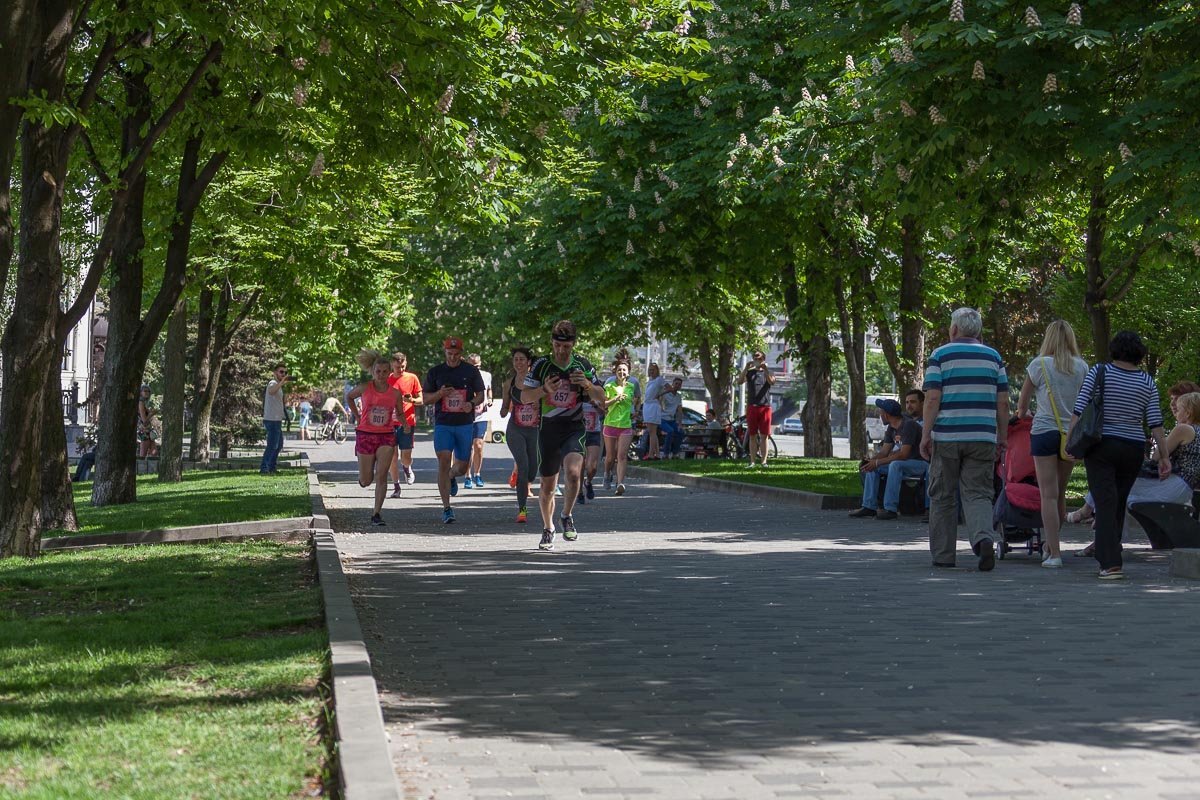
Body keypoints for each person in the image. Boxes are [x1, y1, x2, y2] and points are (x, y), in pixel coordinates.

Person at [1067, 331, 1168, 580]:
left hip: (1101, 445)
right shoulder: (1147, 381)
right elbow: (1155, 423)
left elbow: (1079, 409)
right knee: (1118, 501)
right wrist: (1164, 456)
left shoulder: (1099, 372)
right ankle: (1112, 553)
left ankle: (1110, 563)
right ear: (1139, 353)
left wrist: (1070, 444)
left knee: (1105, 502)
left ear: (1114, 349)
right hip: (1133, 448)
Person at [920, 308, 1009, 571]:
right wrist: (1002, 437)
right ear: (978, 331)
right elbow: (1003, 403)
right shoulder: (994, 358)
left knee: (942, 495)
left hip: (947, 435)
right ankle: (983, 538)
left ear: (954, 329)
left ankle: (944, 555)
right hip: (982, 436)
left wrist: (926, 434)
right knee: (979, 493)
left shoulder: (940, 355)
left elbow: (932, 398)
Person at [1066, 379, 1200, 524]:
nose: (1174, 409)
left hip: (1173, 486)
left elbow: (1157, 456)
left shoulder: (1183, 429)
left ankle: (1090, 514)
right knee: (1118, 482)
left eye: (1179, 408)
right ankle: (1097, 517)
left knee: (1114, 478)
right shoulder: (1196, 431)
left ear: (1188, 413)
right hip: (1184, 489)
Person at [521, 320, 605, 550]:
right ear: (552, 342)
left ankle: (566, 515)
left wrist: (587, 385)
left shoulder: (582, 365)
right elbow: (525, 397)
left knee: (574, 473)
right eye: (557, 345)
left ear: (573, 344)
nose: (561, 351)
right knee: (548, 486)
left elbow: (602, 397)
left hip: (574, 428)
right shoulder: (541, 365)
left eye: (566, 346)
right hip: (548, 429)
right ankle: (548, 528)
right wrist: (544, 390)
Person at [1015, 320, 1089, 567]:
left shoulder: (1039, 365)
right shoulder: (1082, 367)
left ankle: (1054, 553)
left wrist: (1024, 414)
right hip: (1071, 435)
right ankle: (1050, 544)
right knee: (1060, 493)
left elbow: (1022, 406)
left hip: (1044, 431)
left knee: (1047, 494)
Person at [423, 336, 486, 524]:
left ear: (461, 353)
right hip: (443, 424)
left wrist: (471, 403)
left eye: (456, 354)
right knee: (443, 460)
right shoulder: (435, 372)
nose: (452, 357)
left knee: (463, 467)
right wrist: (440, 393)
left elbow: (481, 395)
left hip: (464, 423)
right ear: (445, 352)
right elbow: (425, 399)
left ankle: (451, 475)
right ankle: (447, 508)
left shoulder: (470, 371)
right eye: (449, 354)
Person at [347, 350, 405, 526]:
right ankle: (363, 477)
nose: (381, 375)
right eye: (378, 371)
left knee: (382, 476)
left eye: (385, 371)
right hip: (366, 435)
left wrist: (406, 424)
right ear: (372, 372)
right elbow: (349, 397)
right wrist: (357, 416)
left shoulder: (395, 393)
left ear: (390, 373)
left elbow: (400, 413)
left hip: (386, 436)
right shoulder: (365, 388)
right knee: (366, 481)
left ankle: (376, 513)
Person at [849, 398, 927, 521]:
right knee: (873, 467)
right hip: (905, 463)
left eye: (880, 412)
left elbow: (903, 454)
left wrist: (877, 462)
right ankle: (869, 506)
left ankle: (890, 509)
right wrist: (871, 461)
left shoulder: (908, 425)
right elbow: (884, 452)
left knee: (895, 465)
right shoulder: (891, 427)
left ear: (886, 414)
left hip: (921, 463)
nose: (879, 415)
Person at [501, 347, 539, 523]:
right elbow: (504, 407)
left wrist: (539, 404)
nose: (518, 363)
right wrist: (502, 411)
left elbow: (547, 400)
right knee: (523, 466)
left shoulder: (537, 382)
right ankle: (522, 510)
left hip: (534, 429)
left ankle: (522, 480)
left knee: (532, 470)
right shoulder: (508, 384)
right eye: (515, 359)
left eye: (522, 359)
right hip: (515, 429)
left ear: (528, 362)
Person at [387, 352, 423, 497]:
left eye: (402, 366)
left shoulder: (412, 378)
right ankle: (396, 487)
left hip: (407, 422)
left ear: (406, 364)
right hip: (389, 423)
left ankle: (407, 468)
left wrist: (412, 400)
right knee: (392, 456)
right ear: (392, 365)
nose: (400, 369)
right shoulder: (386, 379)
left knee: (405, 458)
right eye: (397, 367)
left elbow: (421, 399)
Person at [602, 361, 636, 495]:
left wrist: (635, 410)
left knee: (622, 456)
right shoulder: (609, 386)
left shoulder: (631, 387)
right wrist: (615, 399)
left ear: (628, 373)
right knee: (610, 457)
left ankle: (620, 483)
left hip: (625, 425)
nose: (622, 372)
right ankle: (607, 473)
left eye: (624, 370)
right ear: (615, 372)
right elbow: (603, 404)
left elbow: (636, 400)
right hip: (610, 424)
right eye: (619, 370)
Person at [740, 350, 775, 467]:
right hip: (752, 407)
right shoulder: (750, 373)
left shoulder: (769, 371)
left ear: (763, 359)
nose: (757, 360)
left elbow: (772, 382)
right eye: (755, 358)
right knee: (752, 435)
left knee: (764, 435)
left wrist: (765, 370)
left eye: (759, 358)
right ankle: (752, 461)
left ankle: (764, 461)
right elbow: (739, 381)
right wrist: (746, 368)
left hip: (765, 407)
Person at [463, 354, 492, 489]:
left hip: (481, 416)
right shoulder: (462, 376)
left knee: (478, 445)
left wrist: (490, 399)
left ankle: (477, 474)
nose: (475, 369)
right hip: (466, 416)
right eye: (472, 366)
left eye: (478, 366)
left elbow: (489, 390)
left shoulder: (486, 375)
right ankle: (467, 476)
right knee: (467, 447)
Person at [260, 366, 289, 474]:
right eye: (281, 372)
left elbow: (279, 401)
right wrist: (282, 382)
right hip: (272, 419)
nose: (283, 374)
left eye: (285, 372)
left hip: (277, 419)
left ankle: (272, 467)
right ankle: (264, 468)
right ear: (275, 372)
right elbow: (271, 391)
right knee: (272, 445)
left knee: (279, 445)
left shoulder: (278, 385)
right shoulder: (272, 383)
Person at [581, 394, 605, 503]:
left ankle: (588, 482)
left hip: (593, 433)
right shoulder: (577, 397)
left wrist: (595, 405)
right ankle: (579, 492)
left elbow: (603, 413)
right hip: (579, 433)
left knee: (593, 467)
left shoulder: (597, 395)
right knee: (580, 466)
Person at [641, 362, 664, 460]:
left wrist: (660, 394)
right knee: (652, 431)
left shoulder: (659, 380)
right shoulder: (650, 380)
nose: (651, 371)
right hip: (647, 405)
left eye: (653, 370)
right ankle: (657, 454)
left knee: (652, 432)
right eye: (650, 370)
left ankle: (651, 454)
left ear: (657, 371)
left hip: (653, 406)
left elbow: (669, 388)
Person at [658, 377, 685, 458]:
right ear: (672, 384)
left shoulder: (678, 396)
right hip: (662, 419)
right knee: (670, 431)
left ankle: (675, 453)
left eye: (679, 384)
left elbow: (680, 411)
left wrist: (680, 424)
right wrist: (665, 391)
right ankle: (665, 454)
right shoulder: (665, 394)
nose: (677, 385)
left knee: (681, 432)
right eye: (676, 383)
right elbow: (658, 398)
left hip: (672, 420)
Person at [137, 385, 159, 459]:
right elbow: (144, 421)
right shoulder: (140, 403)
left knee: (154, 453)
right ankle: (140, 466)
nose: (147, 393)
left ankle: (152, 466)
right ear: (140, 392)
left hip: (148, 431)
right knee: (143, 455)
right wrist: (151, 414)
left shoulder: (144, 403)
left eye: (149, 391)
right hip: (144, 431)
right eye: (145, 391)